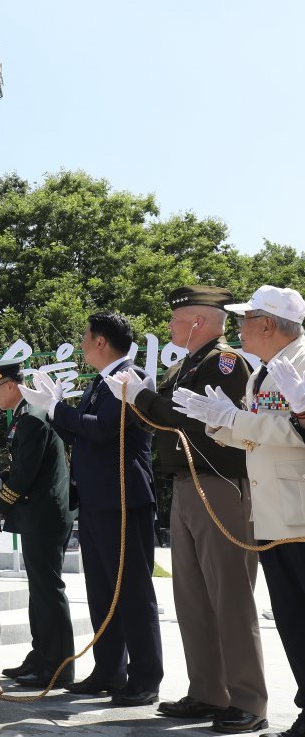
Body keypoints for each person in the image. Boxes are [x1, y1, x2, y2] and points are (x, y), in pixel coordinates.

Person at [113, 286, 267, 733]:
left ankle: (248, 700)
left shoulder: (224, 362)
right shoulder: (187, 366)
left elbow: (186, 420)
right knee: (193, 598)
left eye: (176, 319)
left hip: (218, 485)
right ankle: (207, 691)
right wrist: (141, 399)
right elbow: (161, 416)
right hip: (187, 485)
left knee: (230, 598)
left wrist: (140, 397)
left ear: (197, 322)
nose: (169, 326)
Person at [173, 285, 305, 737]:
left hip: (299, 510)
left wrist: (237, 421)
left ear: (267, 324)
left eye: (245, 320)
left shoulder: (301, 362)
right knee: (291, 617)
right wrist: (220, 422)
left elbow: (293, 429)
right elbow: (258, 436)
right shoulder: (261, 373)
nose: (239, 328)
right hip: (274, 511)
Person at [22, 312, 163, 706]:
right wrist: (53, 411)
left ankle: (145, 677)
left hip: (123, 499)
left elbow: (102, 429)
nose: (83, 343)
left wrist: (58, 408)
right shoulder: (103, 383)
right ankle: (109, 670)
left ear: (101, 341)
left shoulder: (128, 379)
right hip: (100, 500)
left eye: (86, 336)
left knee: (133, 591)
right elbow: (81, 432)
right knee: (102, 592)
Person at [0, 360, 75, 688]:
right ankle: (42, 655)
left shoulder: (31, 417)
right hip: (39, 513)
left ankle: (57, 665)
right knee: (39, 591)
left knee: (48, 590)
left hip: (43, 515)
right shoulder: (24, 416)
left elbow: (27, 473)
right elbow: (27, 466)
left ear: (11, 385)